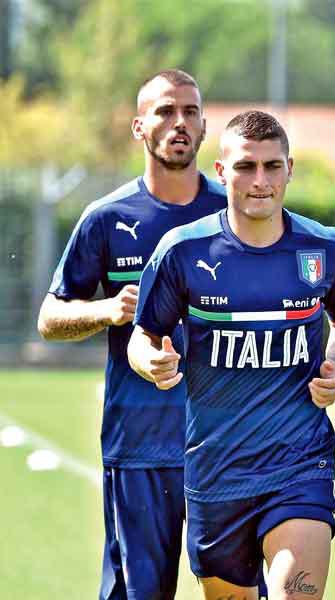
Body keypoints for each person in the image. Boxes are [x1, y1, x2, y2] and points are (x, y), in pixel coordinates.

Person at [128, 110, 335, 600]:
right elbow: (142, 336)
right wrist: (150, 361)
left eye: (272, 166)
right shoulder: (182, 251)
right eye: (245, 167)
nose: (260, 180)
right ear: (221, 171)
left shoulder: (326, 249)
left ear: (289, 169)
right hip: (217, 472)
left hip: (299, 465)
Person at [37, 69, 228, 600]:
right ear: (139, 126)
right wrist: (107, 310)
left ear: (204, 126)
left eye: (190, 112)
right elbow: (49, 318)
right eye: (165, 111)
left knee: (237, 591)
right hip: (140, 443)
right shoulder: (107, 218)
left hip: (226, 443)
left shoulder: (234, 213)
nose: (179, 122)